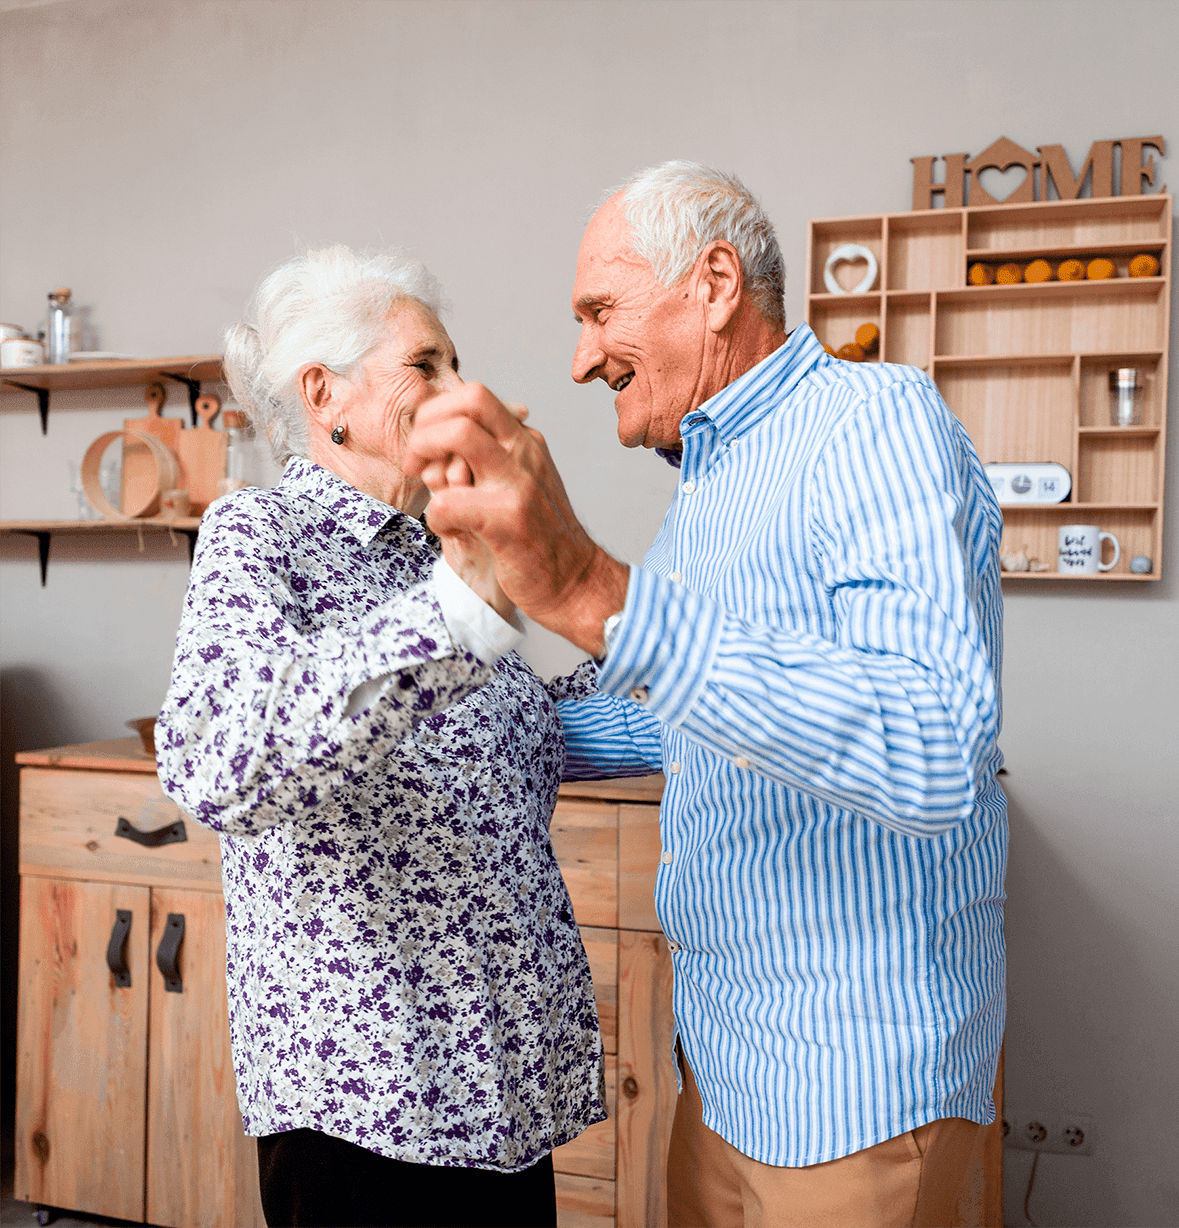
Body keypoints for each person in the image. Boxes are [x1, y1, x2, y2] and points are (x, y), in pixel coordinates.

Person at [407, 162, 1007, 1228]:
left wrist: (591, 588)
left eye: (600, 311)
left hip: (858, 1091)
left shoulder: (872, 423)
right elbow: (680, 704)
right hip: (723, 1073)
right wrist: (484, 730)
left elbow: (929, 750)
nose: (582, 356)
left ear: (715, 282)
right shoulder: (708, 488)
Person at [154, 245, 606, 1228]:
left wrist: (663, 633)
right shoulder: (259, 535)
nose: (458, 388)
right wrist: (453, 609)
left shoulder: (443, 548)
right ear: (327, 397)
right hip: (368, 1103)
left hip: (499, 1095)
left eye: (455, 363)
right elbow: (210, 760)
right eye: (427, 364)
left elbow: (516, 747)